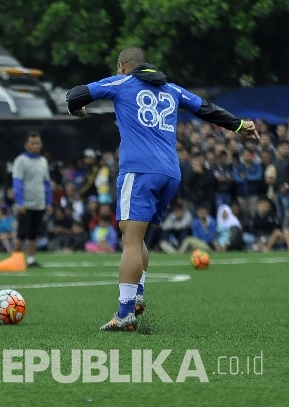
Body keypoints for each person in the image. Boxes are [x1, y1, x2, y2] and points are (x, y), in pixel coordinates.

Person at [66, 46, 257, 331]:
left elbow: (74, 95)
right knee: (138, 236)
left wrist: (77, 110)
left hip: (139, 170)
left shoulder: (121, 82)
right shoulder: (173, 89)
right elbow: (206, 108)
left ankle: (125, 313)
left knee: (130, 241)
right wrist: (240, 124)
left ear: (122, 66)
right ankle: (138, 294)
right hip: (169, 172)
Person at [11, 132, 53, 267]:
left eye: (38, 143)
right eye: (33, 143)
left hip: (39, 203)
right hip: (26, 204)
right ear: (26, 145)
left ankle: (31, 259)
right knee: (21, 233)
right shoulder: (20, 161)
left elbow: (46, 183)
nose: (36, 146)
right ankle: (15, 260)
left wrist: (49, 202)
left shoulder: (43, 161)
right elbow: (17, 182)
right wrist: (20, 202)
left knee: (33, 233)